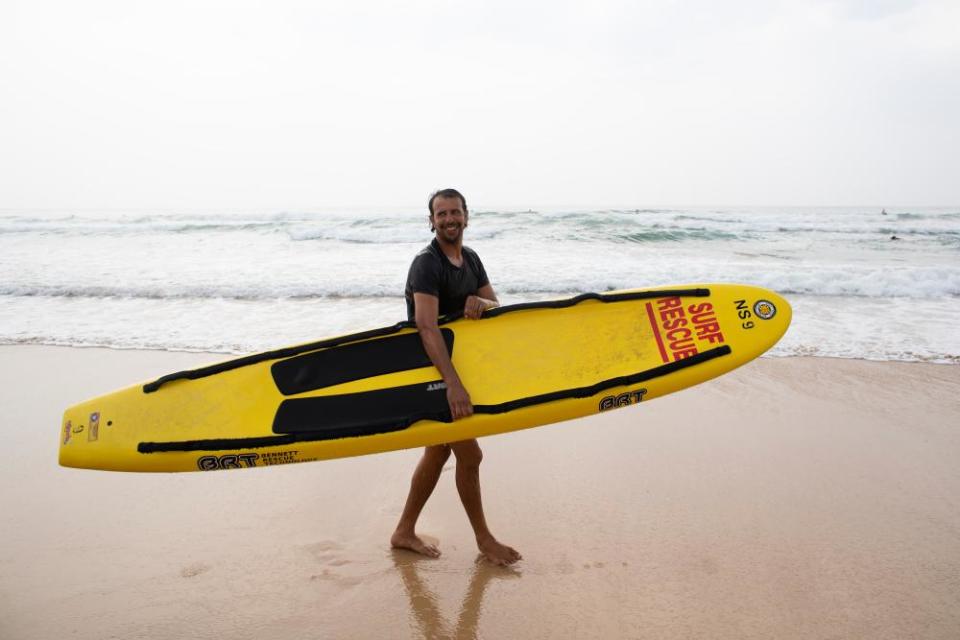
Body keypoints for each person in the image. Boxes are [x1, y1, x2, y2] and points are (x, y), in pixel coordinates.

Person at [390, 188, 522, 566]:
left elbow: (497, 306)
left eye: (455, 212)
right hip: (433, 372)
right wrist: (453, 385)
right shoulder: (426, 264)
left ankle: (404, 531)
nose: (449, 219)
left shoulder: (471, 260)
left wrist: (483, 303)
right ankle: (485, 540)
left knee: (438, 449)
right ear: (431, 221)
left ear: (467, 216)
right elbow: (426, 328)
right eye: (441, 214)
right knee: (470, 455)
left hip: (456, 371)